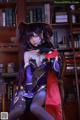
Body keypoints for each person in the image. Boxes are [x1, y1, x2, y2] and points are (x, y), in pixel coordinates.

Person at [9, 22, 62, 120]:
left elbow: (57, 72)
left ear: (42, 35)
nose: (33, 39)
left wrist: (52, 56)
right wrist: (28, 92)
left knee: (35, 107)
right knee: (18, 109)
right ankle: (2, 117)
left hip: (42, 88)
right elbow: (28, 75)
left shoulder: (51, 52)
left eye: (36, 36)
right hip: (25, 89)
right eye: (30, 37)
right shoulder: (27, 54)